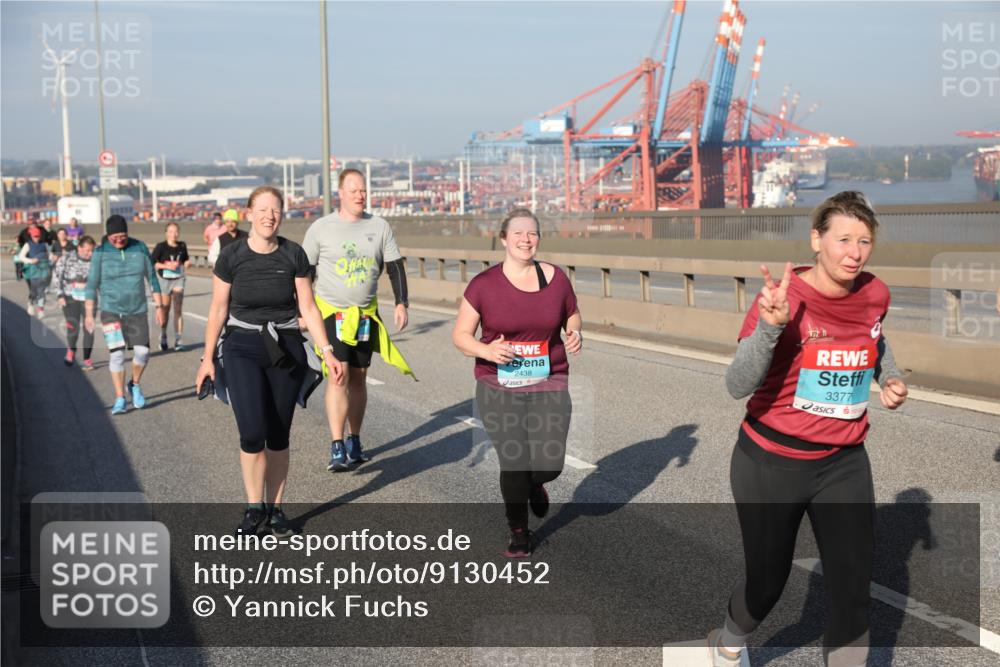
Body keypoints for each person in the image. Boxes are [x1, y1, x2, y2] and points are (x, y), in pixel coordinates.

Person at [709, 191, 908, 667]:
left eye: (864, 241)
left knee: (852, 589)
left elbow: (874, 340)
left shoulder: (874, 293)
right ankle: (728, 641)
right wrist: (771, 328)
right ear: (816, 240)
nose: (854, 253)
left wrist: (890, 376)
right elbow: (737, 385)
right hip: (770, 462)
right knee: (767, 582)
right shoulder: (782, 297)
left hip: (843, 462)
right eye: (843, 240)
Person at [195, 186, 342, 536]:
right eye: (261, 210)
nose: (268, 216)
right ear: (248, 213)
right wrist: (207, 359)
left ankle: (275, 510)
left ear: (281, 214)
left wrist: (326, 351)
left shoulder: (293, 254)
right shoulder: (232, 256)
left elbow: (308, 306)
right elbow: (217, 309)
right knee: (252, 433)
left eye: (275, 210)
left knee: (278, 434)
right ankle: (253, 507)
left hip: (285, 346)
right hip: (242, 347)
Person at [452, 208, 583, 558]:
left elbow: (571, 312)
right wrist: (487, 350)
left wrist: (574, 332)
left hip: (549, 381)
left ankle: (537, 483)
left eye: (533, 233)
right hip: (499, 386)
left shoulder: (556, 279)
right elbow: (461, 336)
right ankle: (519, 530)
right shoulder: (483, 285)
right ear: (504, 239)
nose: (526, 239)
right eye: (519, 233)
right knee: (514, 461)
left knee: (550, 464)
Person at [302, 168, 414, 472]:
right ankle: (336, 445)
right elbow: (305, 273)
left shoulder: (379, 226)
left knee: (359, 377)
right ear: (341, 193)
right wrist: (301, 309)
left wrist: (402, 303)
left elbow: (395, 267)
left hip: (365, 314)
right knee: (339, 375)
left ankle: (354, 439)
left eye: (363, 190)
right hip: (331, 313)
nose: (360, 195)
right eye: (353, 190)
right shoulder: (321, 228)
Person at [84, 215, 164, 415]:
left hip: (137, 310)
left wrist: (160, 307)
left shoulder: (139, 248)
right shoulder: (100, 252)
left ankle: (134, 384)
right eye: (114, 237)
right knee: (118, 354)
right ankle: (120, 398)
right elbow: (91, 284)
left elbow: (152, 278)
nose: (119, 240)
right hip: (111, 311)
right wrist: (88, 314)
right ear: (107, 236)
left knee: (143, 352)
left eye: (123, 235)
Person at [53, 235, 97, 369]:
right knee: (73, 326)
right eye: (87, 250)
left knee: (89, 327)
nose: (90, 253)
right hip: (69, 296)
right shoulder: (66, 258)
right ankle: (71, 350)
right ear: (79, 248)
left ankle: (87, 358)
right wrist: (60, 295)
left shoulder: (96, 261)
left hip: (89, 298)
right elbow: (57, 276)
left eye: (92, 251)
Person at [150, 222, 191, 351]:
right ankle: (163, 335)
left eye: (176, 231)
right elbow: (153, 263)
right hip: (164, 280)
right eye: (171, 231)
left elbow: (185, 260)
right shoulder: (161, 247)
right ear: (166, 233)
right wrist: (167, 266)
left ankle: (178, 340)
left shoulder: (182, 245)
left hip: (178, 279)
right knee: (165, 310)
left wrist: (187, 263)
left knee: (178, 310)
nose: (174, 234)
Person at [16, 225, 52, 318]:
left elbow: (50, 255)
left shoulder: (45, 244)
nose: (36, 238)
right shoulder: (27, 244)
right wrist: (31, 261)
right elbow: (21, 257)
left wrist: (52, 259)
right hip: (31, 270)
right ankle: (31, 304)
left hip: (43, 270)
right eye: (34, 236)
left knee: (41, 290)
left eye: (38, 236)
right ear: (31, 236)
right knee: (34, 291)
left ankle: (41, 309)